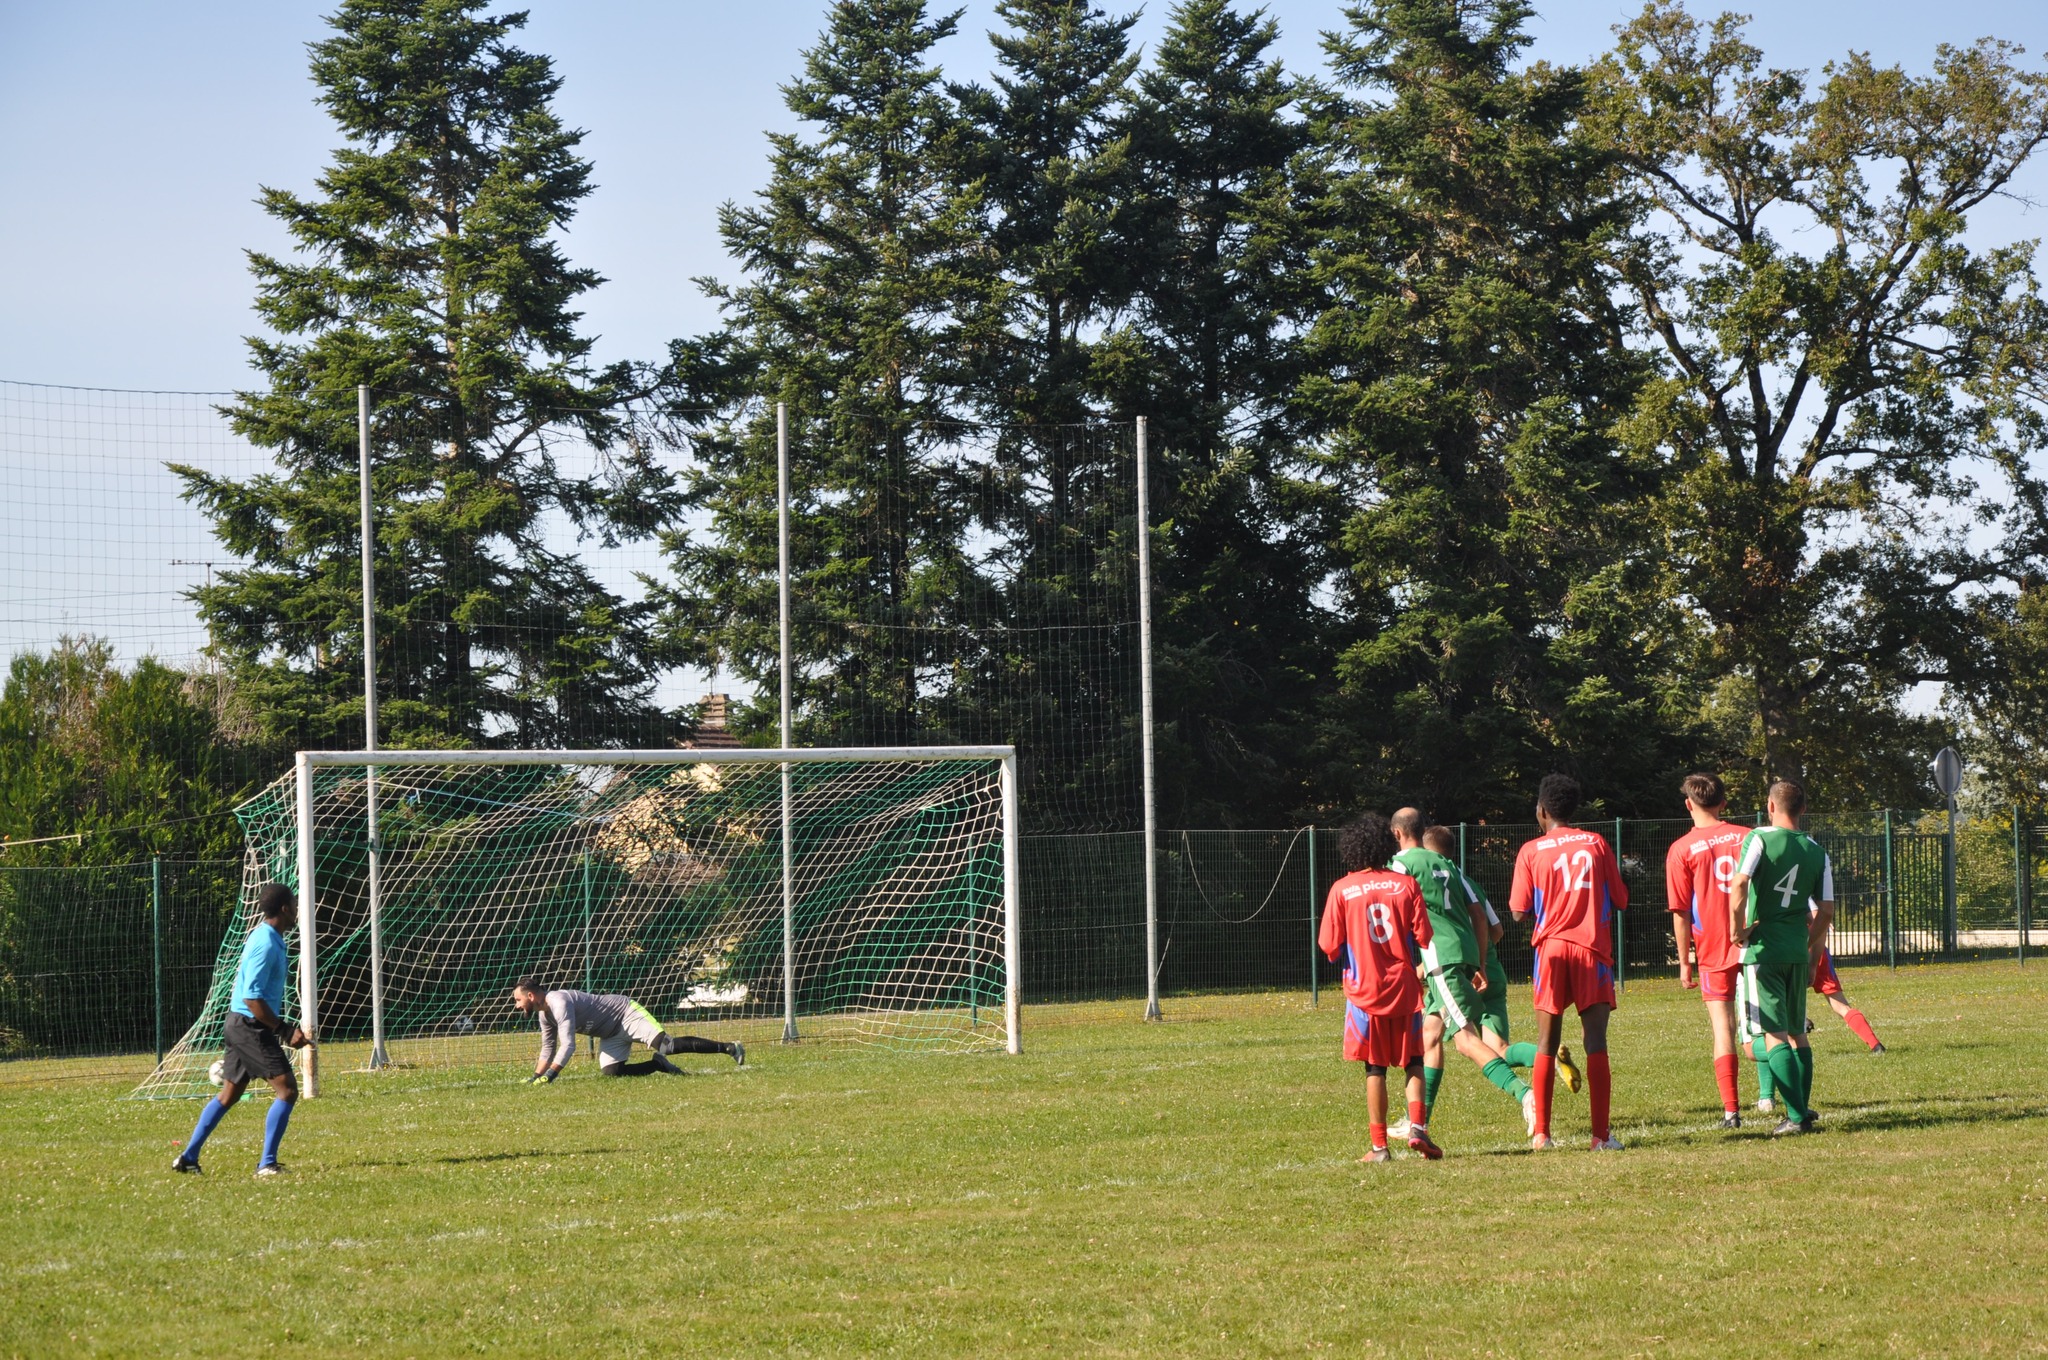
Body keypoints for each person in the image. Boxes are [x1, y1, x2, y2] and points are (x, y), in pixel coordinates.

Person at [1388, 808, 1537, 1137]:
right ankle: (1418, 1121)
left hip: (1441, 958)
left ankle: (1526, 1095)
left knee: (1467, 1041)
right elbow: (1480, 915)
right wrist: (1480, 963)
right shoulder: (1448, 865)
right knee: (1428, 1037)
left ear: (1397, 834)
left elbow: (1390, 910)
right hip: (1462, 956)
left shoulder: (1400, 865)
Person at [1508, 774, 1627, 1151]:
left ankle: (1541, 1134)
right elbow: (1621, 899)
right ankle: (1600, 1137)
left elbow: (1517, 912)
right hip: (1592, 950)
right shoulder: (1596, 843)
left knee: (1546, 1042)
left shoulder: (1531, 850)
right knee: (1595, 1042)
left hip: (1551, 951)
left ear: (1542, 811)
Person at [1318, 812, 1442, 1162]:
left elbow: (1329, 945)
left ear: (1352, 849)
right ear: (1387, 844)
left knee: (1375, 1068)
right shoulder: (1405, 885)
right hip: (1403, 988)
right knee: (1414, 1060)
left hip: (1364, 992)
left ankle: (1379, 1147)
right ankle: (1418, 1128)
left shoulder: (1342, 889)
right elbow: (1424, 936)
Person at [1420, 824, 1578, 1095]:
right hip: (1489, 971)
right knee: (1498, 1050)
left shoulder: (1429, 883)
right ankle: (1550, 1060)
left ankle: (1417, 1120)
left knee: (1440, 1040)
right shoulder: (1469, 884)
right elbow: (1497, 930)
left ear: (1426, 854)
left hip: (1457, 973)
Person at [171, 882, 311, 1177]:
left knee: (229, 1095)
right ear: (285, 908)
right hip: (250, 1025)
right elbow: (251, 996)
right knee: (286, 1090)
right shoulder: (265, 944)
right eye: (295, 904)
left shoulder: (268, 936)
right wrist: (284, 1030)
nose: (298, 909)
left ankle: (188, 1157)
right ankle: (267, 1164)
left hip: (240, 1023)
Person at [1727, 779, 1836, 1137]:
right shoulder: (1818, 851)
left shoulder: (1759, 837)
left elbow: (1740, 883)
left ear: (1770, 807)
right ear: (1803, 809)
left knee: (1773, 1035)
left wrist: (1737, 928)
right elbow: (1827, 910)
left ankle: (1796, 1117)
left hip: (1764, 950)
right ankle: (1800, 1109)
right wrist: (1812, 952)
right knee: (1797, 1035)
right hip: (1795, 950)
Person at [1663, 773, 1751, 1128]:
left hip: (1713, 947)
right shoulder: (1748, 836)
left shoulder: (1682, 849)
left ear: (1688, 804)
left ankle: (1731, 1111)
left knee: (1723, 1029)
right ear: (1724, 803)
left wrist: (1685, 961)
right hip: (1752, 941)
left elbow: (1681, 912)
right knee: (1773, 1027)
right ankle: (1781, 1100)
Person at [511, 980, 744, 1080]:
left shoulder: (559, 1002)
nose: (517, 1005)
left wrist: (552, 1075)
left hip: (625, 1014)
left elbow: (568, 1044)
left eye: (518, 1000)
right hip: (610, 1034)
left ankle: (729, 1047)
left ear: (531, 995)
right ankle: (658, 1064)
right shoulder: (544, 1014)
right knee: (612, 1072)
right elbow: (548, 1047)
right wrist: (536, 1077)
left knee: (667, 1045)